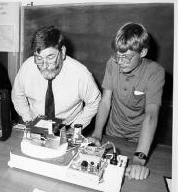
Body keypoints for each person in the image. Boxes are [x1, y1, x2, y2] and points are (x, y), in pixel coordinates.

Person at [90, 22, 165, 180]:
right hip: (113, 133)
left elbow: (151, 115)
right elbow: (105, 102)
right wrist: (97, 134)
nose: (121, 62)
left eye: (127, 57)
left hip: (139, 139)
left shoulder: (155, 72)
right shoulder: (112, 64)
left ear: (143, 51)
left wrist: (138, 159)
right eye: (118, 55)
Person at [12, 26, 101, 129]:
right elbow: (17, 95)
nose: (45, 66)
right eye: (39, 58)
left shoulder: (80, 74)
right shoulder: (27, 68)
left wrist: (75, 128)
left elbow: (94, 101)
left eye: (50, 57)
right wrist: (28, 119)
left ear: (62, 52)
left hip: (67, 128)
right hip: (35, 124)